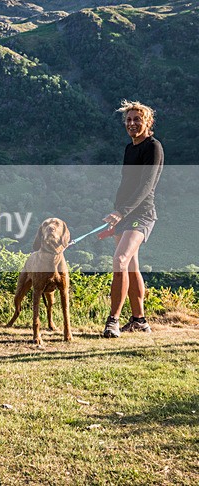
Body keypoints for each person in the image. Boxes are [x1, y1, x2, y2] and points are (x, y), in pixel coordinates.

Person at [101, 101, 164, 338]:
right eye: (128, 120)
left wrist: (122, 212)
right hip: (125, 215)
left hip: (142, 214)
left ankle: (113, 321)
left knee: (120, 260)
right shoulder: (130, 148)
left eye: (137, 119)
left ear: (148, 122)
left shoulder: (153, 147)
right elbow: (126, 184)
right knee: (131, 265)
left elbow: (146, 185)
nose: (132, 123)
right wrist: (116, 214)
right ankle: (140, 321)